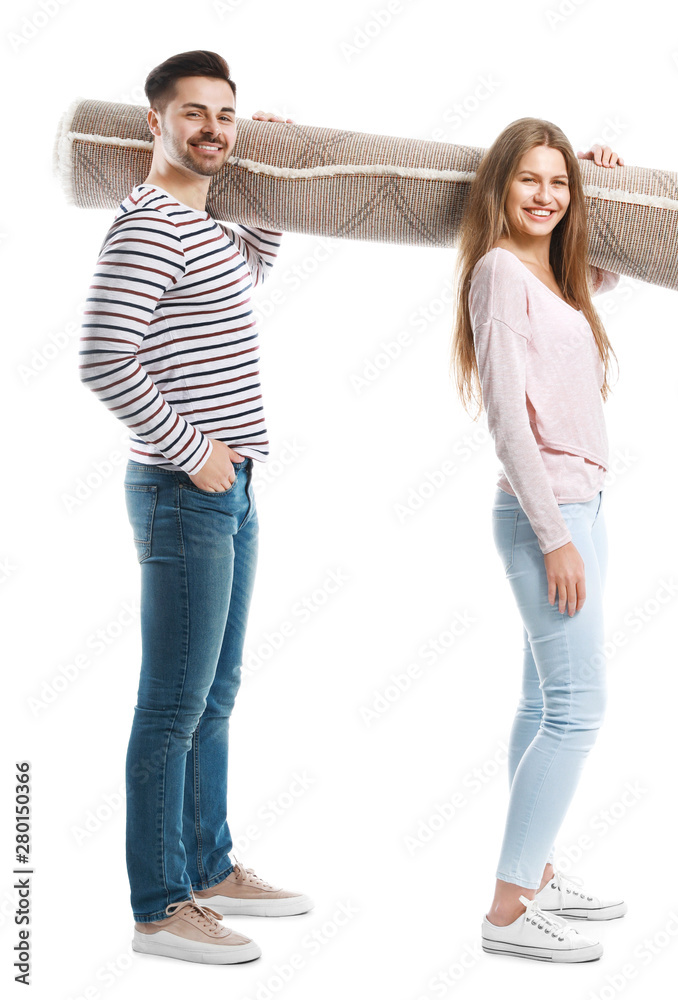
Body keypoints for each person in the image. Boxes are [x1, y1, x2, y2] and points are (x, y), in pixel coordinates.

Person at [78, 50, 312, 966]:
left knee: (215, 695)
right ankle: (158, 909)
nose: (212, 128)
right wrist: (196, 453)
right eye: (192, 114)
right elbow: (104, 360)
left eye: (226, 114)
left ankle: (208, 870)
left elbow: (252, 260)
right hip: (185, 493)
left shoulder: (203, 224)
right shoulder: (146, 228)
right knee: (172, 707)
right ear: (154, 124)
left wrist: (275, 170)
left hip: (232, 488)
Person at [451, 117, 629, 963]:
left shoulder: (547, 277)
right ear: (500, 186)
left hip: (576, 504)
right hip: (544, 513)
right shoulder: (497, 272)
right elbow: (506, 422)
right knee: (577, 710)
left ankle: (536, 870)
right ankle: (509, 910)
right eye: (529, 179)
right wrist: (555, 536)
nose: (546, 196)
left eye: (558, 182)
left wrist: (604, 180)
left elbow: (607, 273)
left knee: (540, 703)